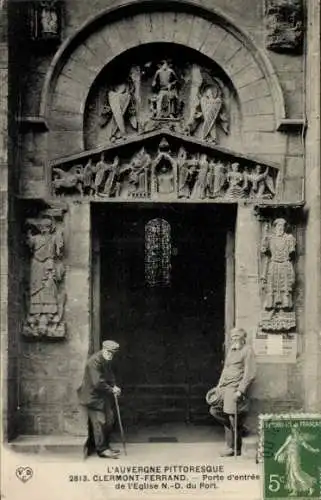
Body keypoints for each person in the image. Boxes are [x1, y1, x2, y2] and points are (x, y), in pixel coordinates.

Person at [206, 328, 256, 457]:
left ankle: (232, 448)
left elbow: (249, 373)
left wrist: (240, 391)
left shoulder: (247, 350)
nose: (234, 338)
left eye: (237, 336)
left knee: (232, 417)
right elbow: (226, 369)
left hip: (234, 388)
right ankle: (240, 431)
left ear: (243, 337)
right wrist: (219, 386)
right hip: (224, 389)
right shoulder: (231, 350)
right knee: (215, 411)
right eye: (233, 336)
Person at [78, 340, 122, 458]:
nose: (110, 355)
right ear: (103, 350)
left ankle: (106, 446)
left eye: (112, 353)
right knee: (100, 423)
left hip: (102, 396)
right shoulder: (94, 361)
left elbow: (109, 374)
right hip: (92, 397)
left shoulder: (106, 360)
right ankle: (102, 450)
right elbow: (97, 382)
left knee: (110, 420)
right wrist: (111, 389)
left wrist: (114, 385)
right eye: (108, 352)